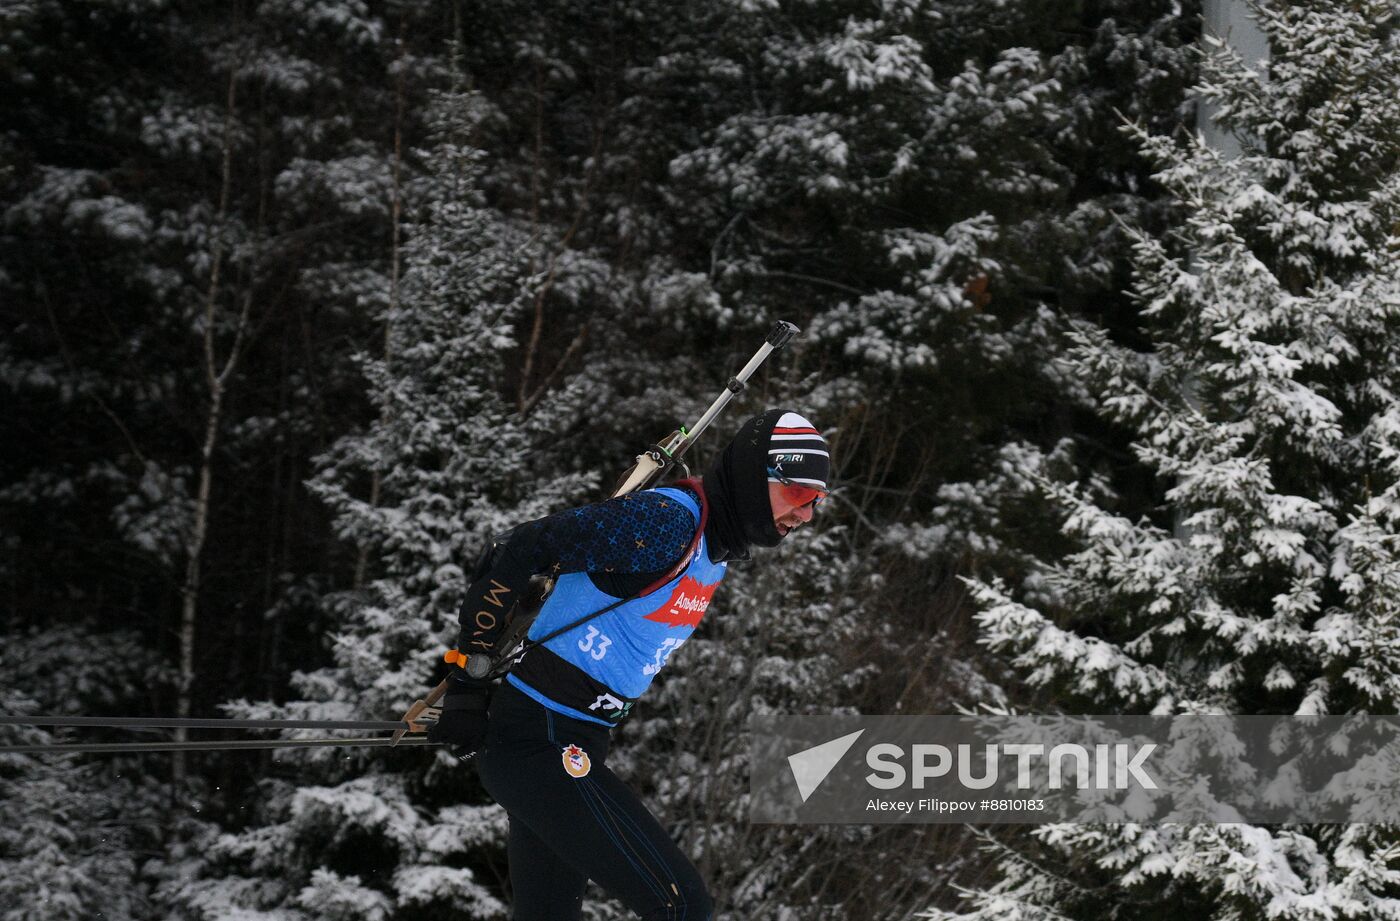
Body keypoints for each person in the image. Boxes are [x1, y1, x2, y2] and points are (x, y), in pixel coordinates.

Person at [429, 409, 831, 921]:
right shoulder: (669, 523)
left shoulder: (715, 543)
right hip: (537, 742)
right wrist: (469, 681)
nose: (807, 515)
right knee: (681, 906)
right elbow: (522, 547)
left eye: (817, 501)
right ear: (756, 479)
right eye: (798, 495)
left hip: (571, 740)